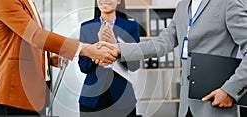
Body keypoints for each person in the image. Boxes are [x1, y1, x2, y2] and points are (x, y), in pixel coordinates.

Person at [97, 0, 247, 116]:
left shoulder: (229, 3)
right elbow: (161, 44)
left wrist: (230, 91)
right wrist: (118, 49)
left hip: (216, 102)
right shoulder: (182, 6)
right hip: (186, 106)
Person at [0, 0, 119, 116]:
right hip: (14, 96)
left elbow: (25, 43)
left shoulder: (28, 3)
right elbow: (36, 37)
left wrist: (48, 60)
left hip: (33, 97)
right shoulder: (5, 1)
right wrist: (85, 49)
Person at [78, 0, 140, 116]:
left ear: (118, 1)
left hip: (123, 97)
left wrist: (116, 44)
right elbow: (84, 66)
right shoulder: (86, 27)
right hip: (92, 99)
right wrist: (98, 44)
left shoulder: (131, 27)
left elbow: (134, 65)